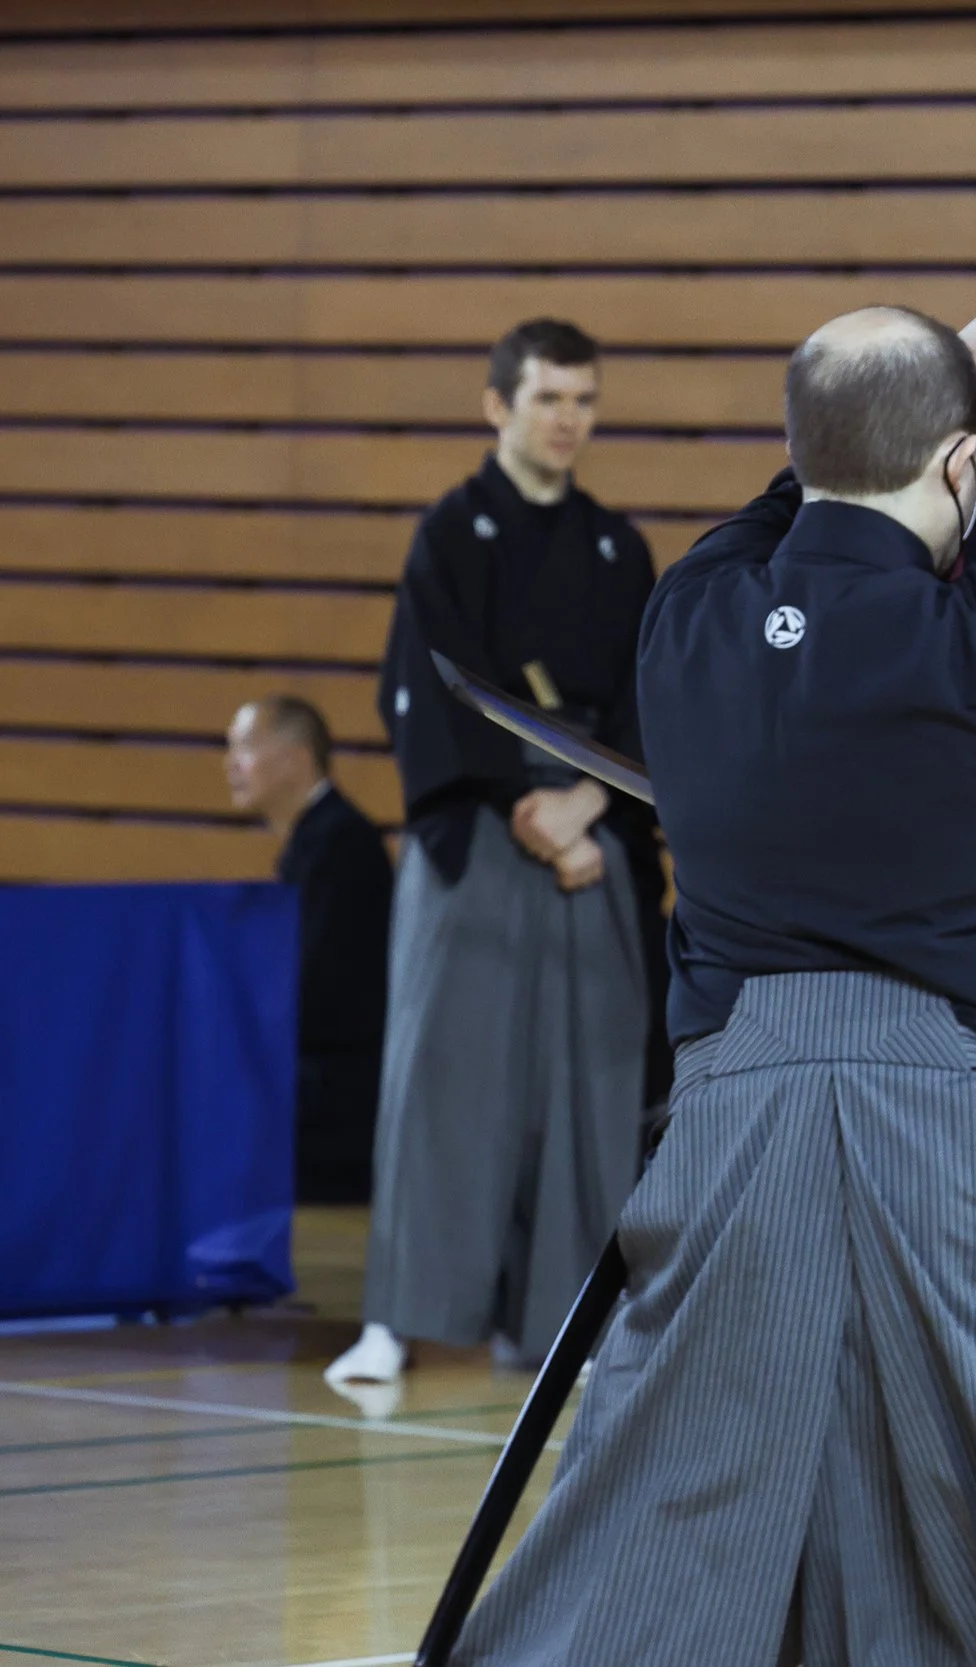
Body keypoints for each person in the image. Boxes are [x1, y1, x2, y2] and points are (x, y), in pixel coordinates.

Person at [450, 130, 976, 1667]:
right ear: (971, 468)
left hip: (727, 1113)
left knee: (672, 1504)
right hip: (952, 1116)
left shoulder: (689, 614)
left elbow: (876, 434)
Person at [329, 318, 668, 1387]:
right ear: (497, 406)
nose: (567, 420)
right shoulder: (451, 532)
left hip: (590, 829)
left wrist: (581, 809)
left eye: (583, 400)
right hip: (478, 825)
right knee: (448, 1080)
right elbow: (426, 687)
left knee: (592, 1083)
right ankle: (399, 1317)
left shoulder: (621, 547)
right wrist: (527, 811)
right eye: (546, 399)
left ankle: (558, 1318)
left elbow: (644, 697)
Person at [224, 696, 393, 1204]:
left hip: (336, 1108)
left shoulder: (341, 845)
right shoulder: (318, 841)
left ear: (297, 758)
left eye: (245, 748)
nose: (230, 765)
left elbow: (322, 990)